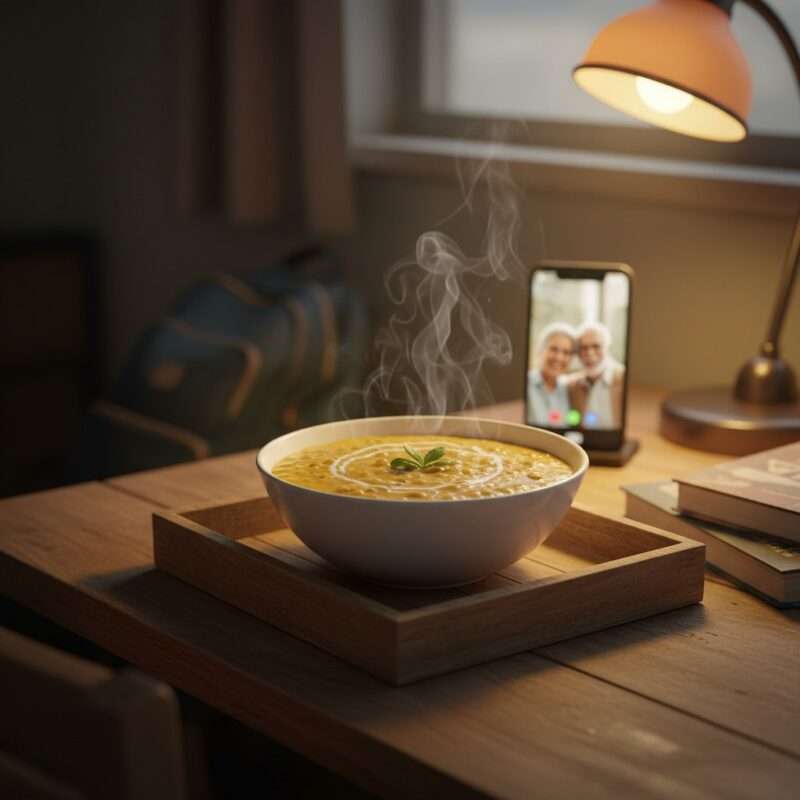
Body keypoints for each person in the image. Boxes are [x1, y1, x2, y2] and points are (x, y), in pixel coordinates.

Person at [567, 321, 625, 429]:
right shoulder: (573, 385)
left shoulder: (623, 378)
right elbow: (573, 422)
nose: (589, 353)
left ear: (607, 347)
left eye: (596, 346)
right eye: (583, 348)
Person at [527, 322, 575, 426]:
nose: (559, 357)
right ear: (540, 350)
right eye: (554, 349)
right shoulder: (525, 384)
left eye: (566, 352)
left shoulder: (568, 388)